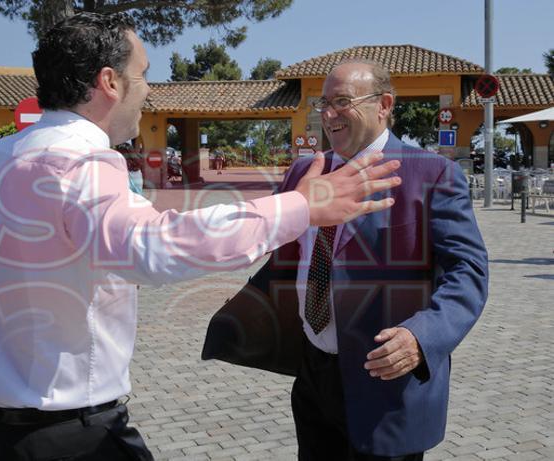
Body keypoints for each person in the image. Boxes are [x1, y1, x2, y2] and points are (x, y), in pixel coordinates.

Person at [0, 14, 401, 461]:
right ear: (109, 82)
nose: (149, 90)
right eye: (143, 74)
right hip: (62, 437)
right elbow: (154, 246)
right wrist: (302, 207)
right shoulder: (81, 163)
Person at [204, 60, 488, 460]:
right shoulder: (306, 170)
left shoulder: (433, 175)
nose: (330, 114)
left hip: (386, 380)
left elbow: (468, 273)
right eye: (324, 104)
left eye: (342, 102)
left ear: (384, 104)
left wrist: (422, 337)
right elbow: (275, 243)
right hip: (313, 371)